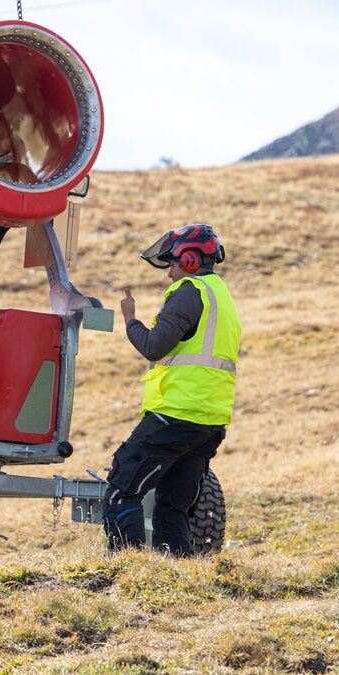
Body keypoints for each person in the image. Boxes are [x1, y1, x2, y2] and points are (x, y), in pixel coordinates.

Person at [104, 223, 241, 556]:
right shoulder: (221, 297)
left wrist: (130, 320)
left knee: (122, 490)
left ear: (190, 260)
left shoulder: (190, 291)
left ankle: (129, 568)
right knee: (172, 506)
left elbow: (153, 345)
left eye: (172, 263)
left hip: (176, 415)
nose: (169, 273)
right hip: (208, 422)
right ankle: (178, 574)